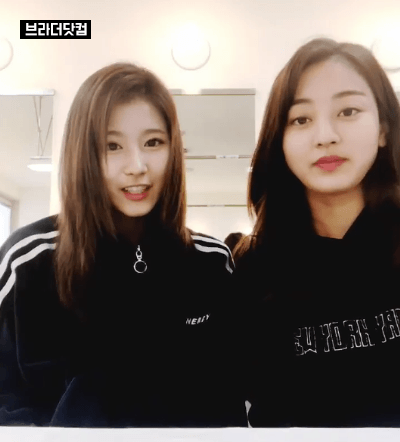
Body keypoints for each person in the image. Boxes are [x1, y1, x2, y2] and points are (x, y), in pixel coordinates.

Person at [0, 62, 247, 427]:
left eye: (153, 142)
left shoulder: (211, 263)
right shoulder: (28, 261)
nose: (137, 165)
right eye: (112, 146)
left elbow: (229, 404)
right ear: (83, 154)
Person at [234, 37, 400, 427]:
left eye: (348, 111)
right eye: (301, 119)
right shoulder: (250, 269)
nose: (325, 135)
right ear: (280, 139)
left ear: (383, 129)